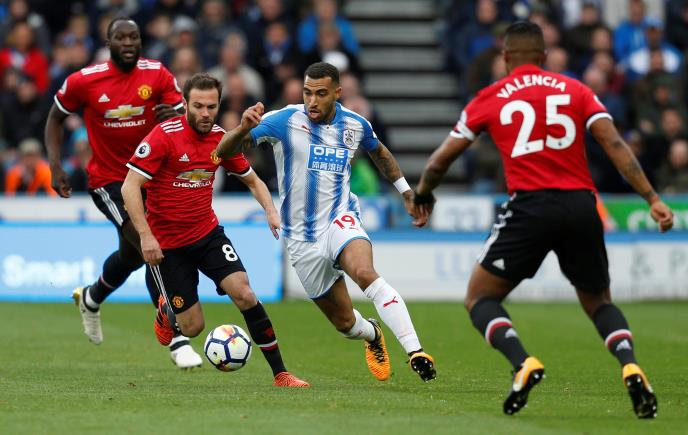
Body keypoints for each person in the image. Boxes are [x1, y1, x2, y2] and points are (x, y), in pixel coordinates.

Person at [412, 21, 673, 418]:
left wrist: (423, 194)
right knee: (599, 302)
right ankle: (630, 365)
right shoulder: (575, 90)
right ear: (544, 56)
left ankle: (522, 361)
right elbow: (614, 143)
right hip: (581, 207)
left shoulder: (491, 96)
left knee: (480, 298)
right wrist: (652, 198)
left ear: (505, 57)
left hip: (530, 207)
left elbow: (439, 161)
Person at [215, 62, 436, 383]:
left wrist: (405, 191)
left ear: (337, 93)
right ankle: (372, 333)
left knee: (365, 273)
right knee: (345, 324)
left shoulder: (355, 124)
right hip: (300, 238)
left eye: (320, 94)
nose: (312, 101)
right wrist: (242, 128)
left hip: (339, 219)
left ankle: (415, 351)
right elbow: (223, 151)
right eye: (307, 93)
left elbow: (379, 152)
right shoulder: (286, 119)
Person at [121, 73, 308, 388]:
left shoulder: (222, 141)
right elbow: (130, 187)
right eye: (198, 106)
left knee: (245, 293)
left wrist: (270, 210)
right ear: (185, 104)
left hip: (207, 235)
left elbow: (253, 180)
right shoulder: (163, 136)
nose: (205, 113)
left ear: (219, 104)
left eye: (211, 106)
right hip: (169, 246)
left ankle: (281, 374)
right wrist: (146, 236)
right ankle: (165, 310)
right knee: (192, 327)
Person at [43, 17, 202, 369]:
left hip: (149, 179)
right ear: (108, 43)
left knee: (131, 256)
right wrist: (55, 165)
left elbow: (185, 116)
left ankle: (92, 296)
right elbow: (54, 117)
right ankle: (177, 338)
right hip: (109, 182)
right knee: (150, 245)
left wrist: (175, 113)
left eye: (134, 37)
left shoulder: (157, 74)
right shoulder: (85, 80)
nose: (128, 42)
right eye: (121, 37)